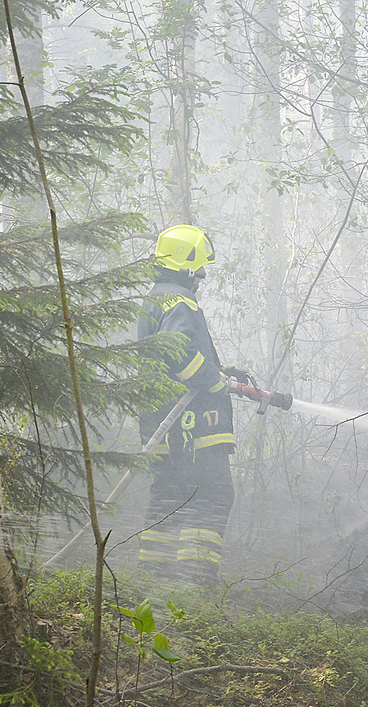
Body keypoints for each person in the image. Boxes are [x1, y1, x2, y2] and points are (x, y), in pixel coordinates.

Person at [135, 224, 247, 583]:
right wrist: (212, 379)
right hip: (192, 425)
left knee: (168, 498)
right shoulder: (180, 302)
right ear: (184, 267)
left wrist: (219, 371)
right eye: (198, 269)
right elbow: (178, 354)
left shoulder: (155, 299)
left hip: (160, 422)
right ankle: (195, 583)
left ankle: (153, 579)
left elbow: (169, 356)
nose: (202, 277)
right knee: (213, 495)